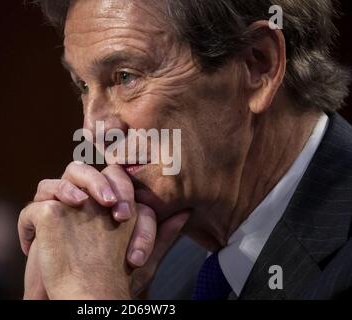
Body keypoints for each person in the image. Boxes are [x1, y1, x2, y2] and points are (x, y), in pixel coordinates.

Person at [18, 0, 352, 299]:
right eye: (82, 86)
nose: (95, 130)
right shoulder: (167, 267)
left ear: (257, 65)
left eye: (124, 77)